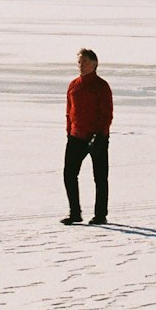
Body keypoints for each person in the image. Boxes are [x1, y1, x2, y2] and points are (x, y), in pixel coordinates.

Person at [61, 48, 113, 226]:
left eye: (84, 62)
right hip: (76, 136)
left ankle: (100, 215)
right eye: (79, 62)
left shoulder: (101, 86)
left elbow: (107, 114)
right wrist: (69, 132)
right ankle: (75, 213)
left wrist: (100, 135)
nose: (80, 65)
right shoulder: (74, 84)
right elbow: (69, 111)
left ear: (94, 63)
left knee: (99, 176)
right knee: (69, 174)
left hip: (97, 137)